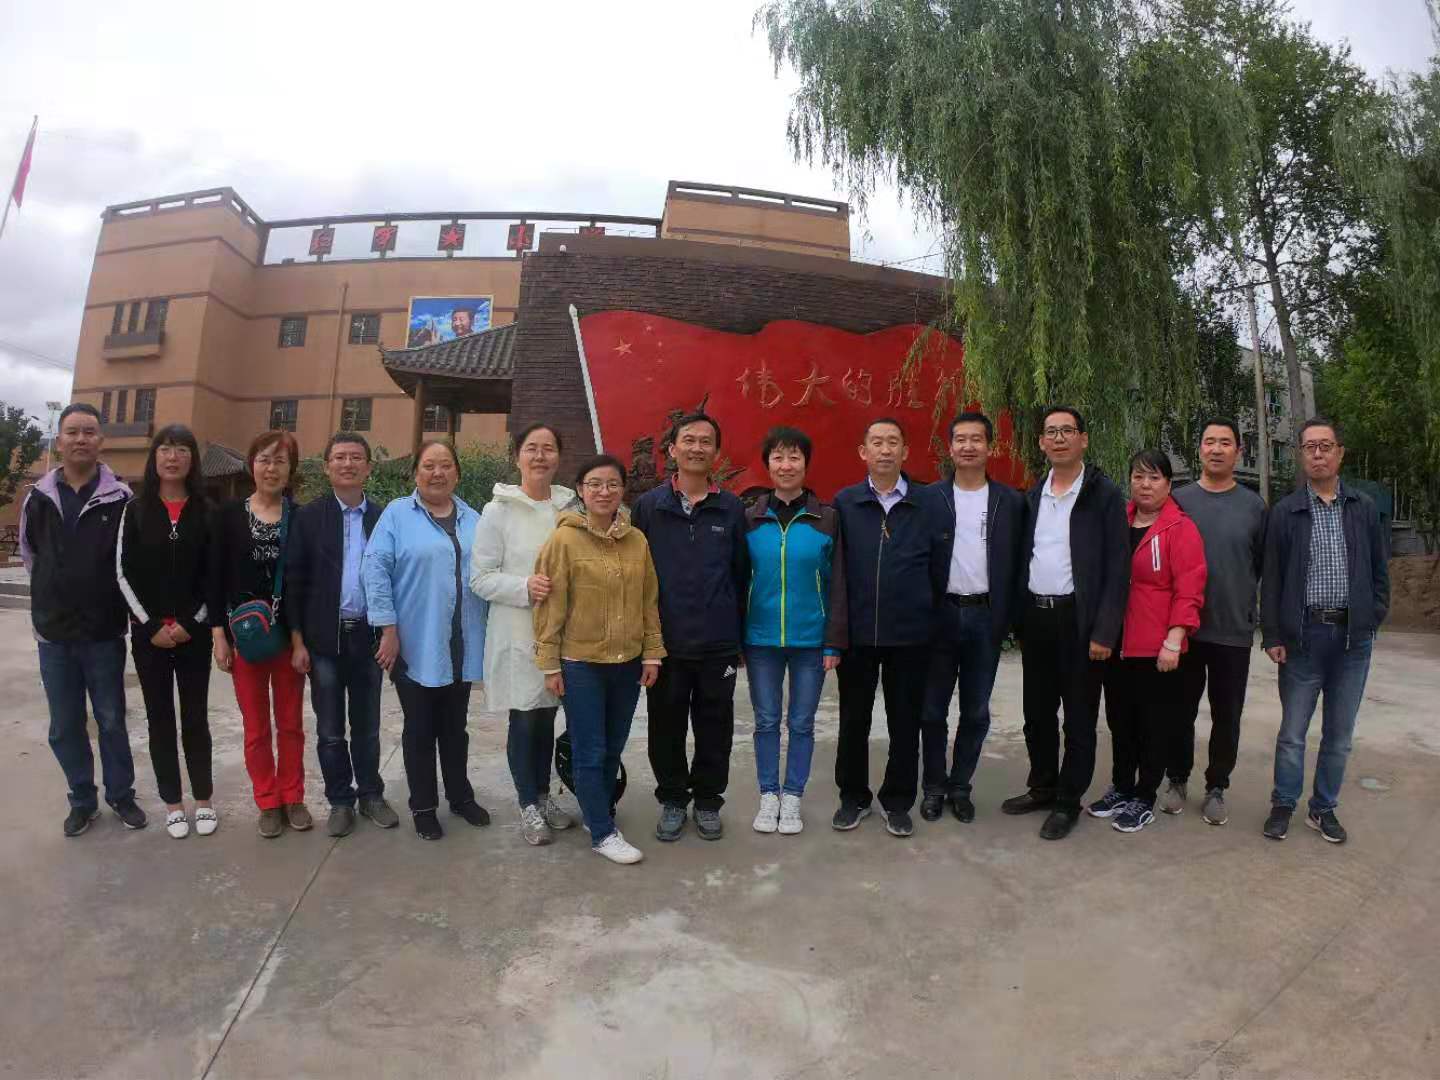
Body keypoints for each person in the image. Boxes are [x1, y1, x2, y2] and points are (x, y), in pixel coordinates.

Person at [1260, 418, 1389, 845]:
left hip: (1353, 641)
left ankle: (1323, 808)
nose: (1318, 454)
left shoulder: (1363, 508)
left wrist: (1373, 616)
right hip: (1303, 638)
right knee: (1292, 733)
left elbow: (1379, 569)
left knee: (1339, 735)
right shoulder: (1286, 512)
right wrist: (1273, 634)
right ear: (1301, 454)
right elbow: (1272, 578)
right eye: (1310, 447)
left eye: (1325, 446)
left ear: (1339, 453)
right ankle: (1283, 803)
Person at [20, 402, 146, 836]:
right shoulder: (38, 498)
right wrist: (49, 599)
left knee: (111, 719)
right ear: (59, 440)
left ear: (101, 440)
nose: (80, 439)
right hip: (53, 634)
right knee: (64, 725)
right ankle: (81, 799)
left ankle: (121, 795)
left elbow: (130, 561)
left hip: (103, 632)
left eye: (89, 432)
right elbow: (31, 556)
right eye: (72, 432)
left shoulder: (121, 498)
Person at [532, 455, 665, 864]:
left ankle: (597, 813)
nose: (604, 492)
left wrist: (653, 653)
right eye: (594, 484)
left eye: (612, 484)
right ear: (580, 490)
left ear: (622, 490)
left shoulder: (637, 540)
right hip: (581, 663)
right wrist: (550, 663)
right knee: (589, 749)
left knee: (612, 747)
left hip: (627, 662)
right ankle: (603, 833)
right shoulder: (564, 540)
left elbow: (648, 601)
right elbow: (550, 606)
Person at [1005, 406, 1129, 840]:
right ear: (1041, 442)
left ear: (1083, 439)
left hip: (1081, 622)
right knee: (1036, 714)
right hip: (1037, 619)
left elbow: (1118, 569)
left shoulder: (1103, 495)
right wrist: (1019, 619)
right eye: (1051, 432)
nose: (1059, 438)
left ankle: (1067, 801)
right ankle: (1042, 786)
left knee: (1077, 718)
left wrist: (1104, 631)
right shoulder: (1033, 495)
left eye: (1067, 431)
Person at [363, 440, 490, 841]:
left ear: (457, 473)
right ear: (415, 472)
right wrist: (387, 629)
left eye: (446, 465)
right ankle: (423, 806)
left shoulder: (474, 518)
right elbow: (375, 570)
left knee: (455, 727)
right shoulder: (398, 515)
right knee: (419, 729)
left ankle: (460, 796)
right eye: (429, 465)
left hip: (462, 643)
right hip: (415, 642)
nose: (438, 473)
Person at [631, 412, 749, 843]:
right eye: (689, 440)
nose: (697, 448)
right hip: (666, 643)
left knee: (715, 726)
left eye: (705, 441)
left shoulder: (731, 508)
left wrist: (736, 635)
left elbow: (741, 574)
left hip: (718, 643)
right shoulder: (650, 507)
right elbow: (637, 574)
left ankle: (709, 801)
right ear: (672, 449)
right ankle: (673, 799)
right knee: (666, 725)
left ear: (716, 452)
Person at [469, 422, 578, 846]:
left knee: (548, 716)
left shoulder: (569, 508)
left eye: (548, 448)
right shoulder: (498, 510)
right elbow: (480, 578)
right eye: (532, 448)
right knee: (525, 718)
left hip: (563, 632)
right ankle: (527, 803)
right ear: (517, 456)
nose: (540, 456)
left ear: (559, 457)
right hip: (518, 631)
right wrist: (524, 586)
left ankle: (544, 796)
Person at [286, 432, 399, 838]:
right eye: (339, 457)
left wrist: (391, 632)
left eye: (355, 457)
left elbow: (396, 578)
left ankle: (371, 794)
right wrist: (297, 641)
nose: (347, 464)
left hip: (368, 638)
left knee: (367, 727)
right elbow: (294, 582)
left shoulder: (385, 518)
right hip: (323, 641)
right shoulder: (308, 517)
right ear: (327, 466)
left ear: (368, 467)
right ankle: (339, 800)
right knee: (331, 730)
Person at [1087, 451, 1207, 833]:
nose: (1145, 485)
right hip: (1116, 644)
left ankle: (1144, 795)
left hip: (1157, 649)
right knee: (1120, 722)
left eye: (1154, 478)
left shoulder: (1180, 528)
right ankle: (1121, 787)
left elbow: (1189, 589)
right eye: (1138, 477)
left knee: (1154, 725)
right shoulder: (1118, 522)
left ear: (1169, 484)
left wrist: (1174, 638)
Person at [917, 412, 1027, 824]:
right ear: (950, 448)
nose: (968, 446)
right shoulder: (930, 498)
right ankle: (933, 787)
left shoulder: (1009, 502)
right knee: (932, 711)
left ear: (989, 447)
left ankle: (960, 787)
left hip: (986, 618)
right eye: (960, 439)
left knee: (976, 711)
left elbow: (1020, 563)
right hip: (940, 616)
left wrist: (1009, 618)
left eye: (976, 439)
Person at [831, 417, 934, 837]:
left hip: (910, 635)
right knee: (853, 720)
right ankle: (853, 797)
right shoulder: (845, 502)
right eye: (877, 442)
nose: (885, 450)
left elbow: (939, 565)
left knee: (905, 722)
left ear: (905, 451)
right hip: (858, 634)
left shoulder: (927, 502)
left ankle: (898, 800)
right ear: (863, 452)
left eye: (893, 442)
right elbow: (836, 570)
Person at [741, 426, 847, 836]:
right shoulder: (750, 518)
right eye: (778, 457)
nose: (786, 465)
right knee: (766, 720)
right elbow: (737, 578)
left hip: (810, 640)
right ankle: (768, 794)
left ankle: (792, 796)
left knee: (801, 722)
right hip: (760, 638)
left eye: (794, 457)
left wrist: (834, 640)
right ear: (767, 465)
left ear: (806, 464)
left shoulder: (827, 518)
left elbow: (838, 584)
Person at [116, 424, 215, 839]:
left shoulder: (207, 511)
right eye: (165, 449)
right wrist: (151, 625)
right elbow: (123, 572)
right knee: (160, 718)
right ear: (154, 457)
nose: (173, 457)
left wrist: (192, 623)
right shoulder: (135, 509)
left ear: (193, 458)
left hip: (195, 634)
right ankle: (173, 803)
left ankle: (203, 800)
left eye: (182, 450)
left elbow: (215, 575)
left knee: (195, 717)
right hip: (149, 636)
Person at [209, 431, 310, 838]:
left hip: (287, 638)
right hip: (244, 638)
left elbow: (302, 584)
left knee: (291, 724)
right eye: (265, 459)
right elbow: (214, 578)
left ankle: (293, 796)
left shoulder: (299, 517)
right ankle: (267, 801)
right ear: (251, 464)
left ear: (291, 470)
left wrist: (300, 642)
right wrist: (219, 636)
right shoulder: (227, 516)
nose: (271, 468)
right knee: (256, 728)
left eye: (280, 461)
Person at [1167, 419, 1267, 825]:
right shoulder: (1179, 501)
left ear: (1238, 452)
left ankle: (1216, 786)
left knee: (1227, 715)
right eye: (1209, 441)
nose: (1216, 449)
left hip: (1233, 630)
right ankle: (1176, 779)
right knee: (1179, 711)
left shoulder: (1254, 506)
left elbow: (1260, 565)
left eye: (1226, 442)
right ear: (1200, 449)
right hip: (1185, 629)